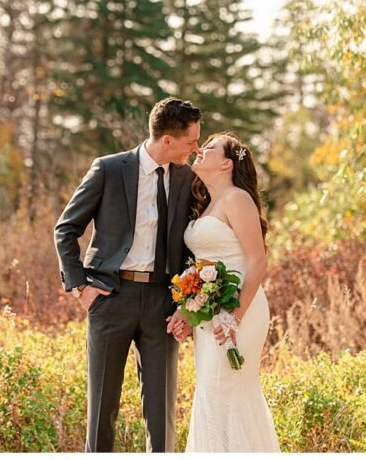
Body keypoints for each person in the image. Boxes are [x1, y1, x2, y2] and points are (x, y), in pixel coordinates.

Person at [54, 97, 199, 452]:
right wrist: (81, 287)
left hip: (163, 303)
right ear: (167, 140)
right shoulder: (108, 169)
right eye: (191, 141)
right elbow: (66, 228)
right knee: (102, 409)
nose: (196, 148)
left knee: (161, 414)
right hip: (110, 298)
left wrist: (188, 300)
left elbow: (197, 241)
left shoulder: (188, 178)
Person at [179, 131, 280, 452]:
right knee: (210, 390)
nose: (199, 150)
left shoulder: (237, 198)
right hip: (212, 313)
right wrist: (188, 309)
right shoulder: (209, 205)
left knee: (225, 389)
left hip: (242, 309)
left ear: (225, 164)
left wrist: (234, 316)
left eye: (208, 148)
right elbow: (201, 268)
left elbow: (257, 260)